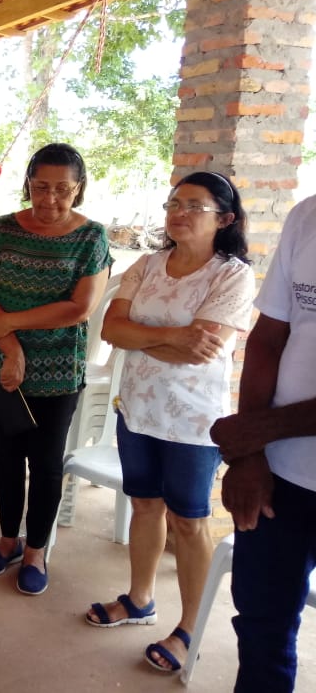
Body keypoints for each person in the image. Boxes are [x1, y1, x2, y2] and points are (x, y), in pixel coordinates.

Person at [84, 171, 255, 673]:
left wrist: (144, 335)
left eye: (195, 206)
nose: (179, 213)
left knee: (189, 520)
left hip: (194, 422)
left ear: (225, 219)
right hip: (138, 409)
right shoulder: (148, 264)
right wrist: (175, 336)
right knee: (144, 505)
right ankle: (140, 600)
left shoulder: (231, 275)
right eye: (174, 203)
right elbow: (111, 329)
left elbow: (205, 348)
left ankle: (190, 627)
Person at [0, 142, 111, 595]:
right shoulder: (2, 230)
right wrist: (12, 349)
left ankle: (36, 551)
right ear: (28, 183)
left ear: (79, 188)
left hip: (58, 371)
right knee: (8, 457)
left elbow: (79, 308)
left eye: (62, 190)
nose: (50, 199)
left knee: (47, 463)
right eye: (41, 187)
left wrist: (11, 322)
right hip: (0, 364)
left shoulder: (91, 238)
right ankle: (7, 540)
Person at [210, 193, 316, 692]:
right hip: (280, 476)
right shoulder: (308, 215)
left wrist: (258, 431)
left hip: (271, 441)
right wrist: (250, 455)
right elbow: (269, 337)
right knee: (261, 629)